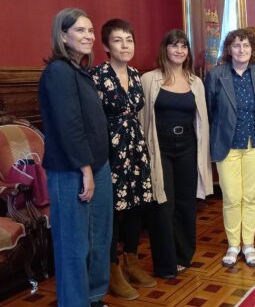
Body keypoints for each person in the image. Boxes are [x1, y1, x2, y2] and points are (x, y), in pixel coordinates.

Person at [39, 8, 112, 307]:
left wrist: (97, 168)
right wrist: (86, 170)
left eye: (91, 31)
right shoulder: (57, 71)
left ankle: (93, 298)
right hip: (73, 172)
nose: (89, 36)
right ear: (63, 35)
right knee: (74, 245)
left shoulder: (79, 71)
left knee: (98, 241)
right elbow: (69, 125)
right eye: (80, 30)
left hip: (97, 167)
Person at [139, 30, 213, 279]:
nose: (179, 50)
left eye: (184, 46)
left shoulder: (195, 82)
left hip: (188, 148)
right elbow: (142, 119)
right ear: (165, 49)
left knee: (185, 203)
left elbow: (201, 120)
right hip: (160, 149)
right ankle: (165, 264)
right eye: (174, 46)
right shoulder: (149, 79)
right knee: (163, 205)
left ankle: (184, 255)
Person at [90, 19, 155, 300]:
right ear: (105, 45)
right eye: (118, 40)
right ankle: (112, 269)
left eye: (129, 39)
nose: (125, 45)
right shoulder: (97, 76)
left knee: (136, 205)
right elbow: (93, 119)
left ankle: (132, 261)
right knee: (114, 210)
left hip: (135, 146)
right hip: (110, 148)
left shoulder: (136, 74)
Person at [205, 29, 255, 268]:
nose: (241, 50)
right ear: (228, 49)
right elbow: (210, 111)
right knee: (231, 197)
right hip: (227, 145)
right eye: (236, 45)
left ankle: (249, 244)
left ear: (252, 49)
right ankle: (233, 245)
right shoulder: (216, 75)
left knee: (250, 197)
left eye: (245, 46)